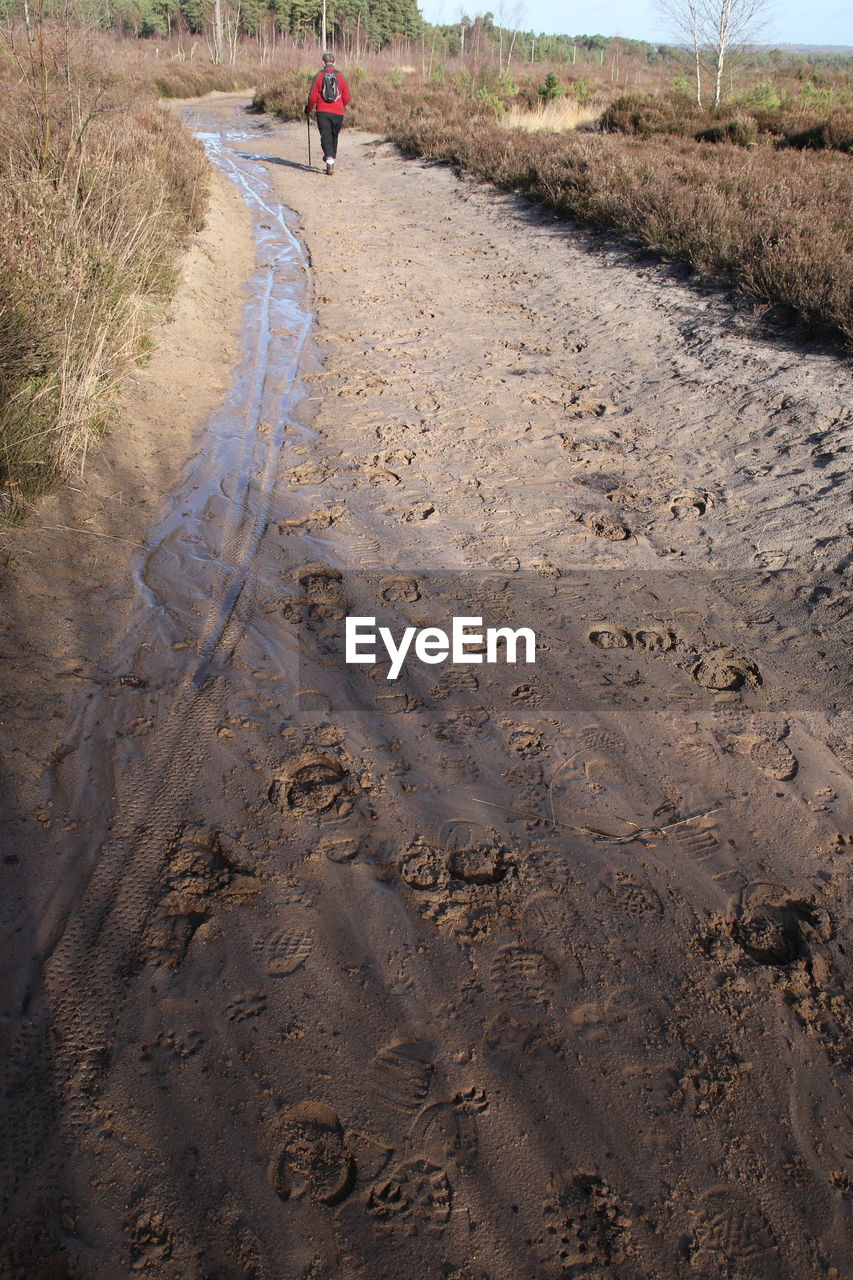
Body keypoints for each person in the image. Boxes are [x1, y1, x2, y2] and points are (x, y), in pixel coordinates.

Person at [306, 52, 351, 177]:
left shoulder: (319, 76)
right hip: (338, 112)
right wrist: (340, 105)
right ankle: (331, 159)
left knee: (325, 136)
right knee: (334, 136)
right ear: (334, 63)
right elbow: (347, 96)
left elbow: (312, 96)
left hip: (322, 111)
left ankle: (329, 160)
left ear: (323, 62)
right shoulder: (340, 76)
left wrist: (308, 109)